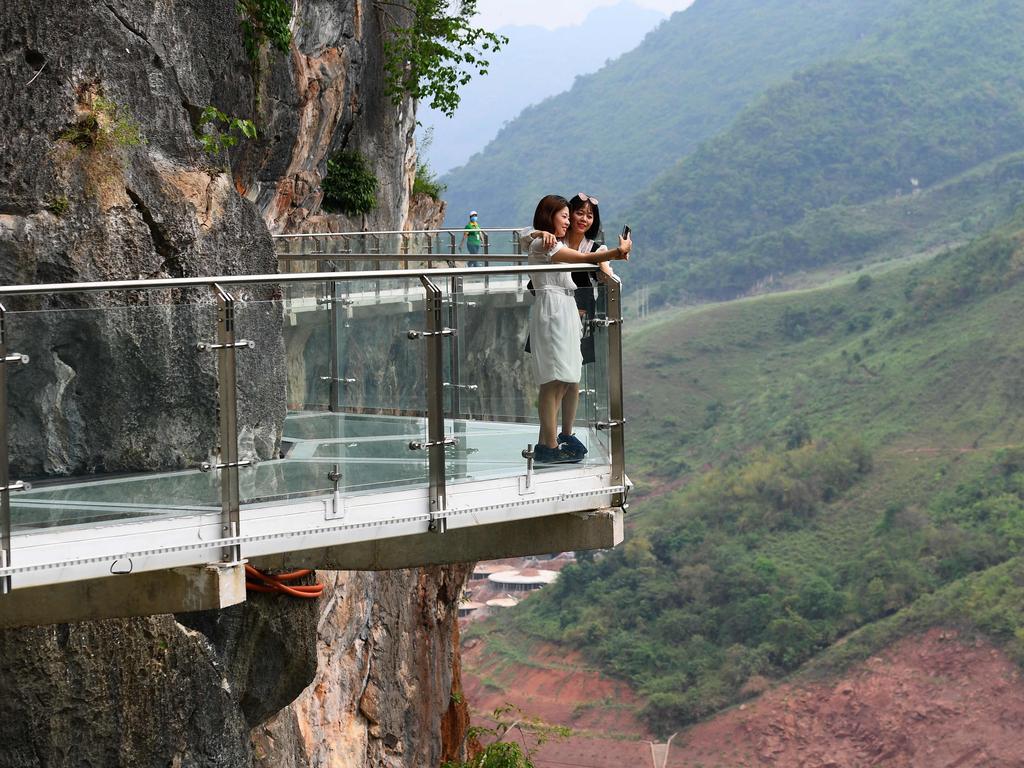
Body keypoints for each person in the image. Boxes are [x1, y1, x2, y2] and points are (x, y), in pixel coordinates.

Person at [526, 194, 631, 464]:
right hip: (553, 310)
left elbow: (590, 263)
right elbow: (577, 257)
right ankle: (549, 446)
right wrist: (616, 253)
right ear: (553, 217)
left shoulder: (550, 241)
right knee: (553, 380)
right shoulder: (545, 242)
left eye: (588, 215)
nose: (571, 220)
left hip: (565, 310)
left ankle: (548, 442)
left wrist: (609, 259)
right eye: (566, 215)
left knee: (564, 379)